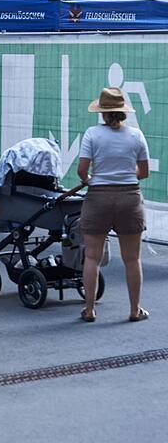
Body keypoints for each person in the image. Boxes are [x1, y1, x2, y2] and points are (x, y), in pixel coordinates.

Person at [77, 87, 150, 323]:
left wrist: (92, 180)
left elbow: (82, 170)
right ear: (123, 111)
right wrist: (125, 175)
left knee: (92, 257)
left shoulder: (92, 134)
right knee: (132, 258)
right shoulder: (136, 135)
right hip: (129, 198)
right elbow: (144, 172)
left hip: (98, 197)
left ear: (102, 112)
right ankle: (135, 310)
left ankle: (89, 310)